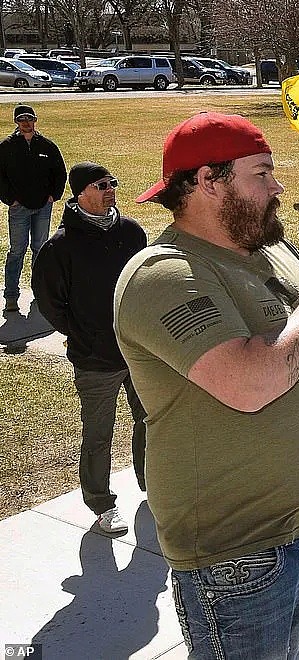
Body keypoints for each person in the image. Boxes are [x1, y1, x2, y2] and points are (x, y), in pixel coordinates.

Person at [113, 112, 299, 657]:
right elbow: (251, 382)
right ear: (208, 181)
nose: (279, 186)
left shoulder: (269, 249)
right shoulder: (163, 273)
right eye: (262, 173)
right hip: (240, 556)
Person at [31, 162, 148, 534]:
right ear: (81, 192)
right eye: (102, 184)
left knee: (152, 420)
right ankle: (101, 504)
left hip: (140, 352)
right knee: (99, 433)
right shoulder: (59, 247)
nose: (111, 188)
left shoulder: (131, 232)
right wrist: (82, 335)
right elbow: (50, 302)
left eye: (113, 182)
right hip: (95, 359)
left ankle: (154, 487)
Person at [0, 104, 67, 313]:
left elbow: (60, 173)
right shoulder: (6, 147)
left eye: (29, 119)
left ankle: (40, 293)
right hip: (18, 209)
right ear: (16, 122)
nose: (26, 123)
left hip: (42, 208)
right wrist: (10, 199)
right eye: (22, 120)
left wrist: (52, 196)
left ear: (35, 120)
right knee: (17, 251)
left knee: (40, 249)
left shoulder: (47, 146)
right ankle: (11, 296)